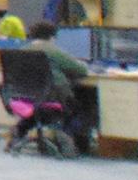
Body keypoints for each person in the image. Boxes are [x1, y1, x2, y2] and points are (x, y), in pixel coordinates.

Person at [28, 21, 97, 152]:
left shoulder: (23, 50)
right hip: (54, 96)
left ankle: (65, 135)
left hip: (29, 98)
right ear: (52, 37)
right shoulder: (52, 50)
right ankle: (74, 136)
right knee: (89, 98)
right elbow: (80, 70)